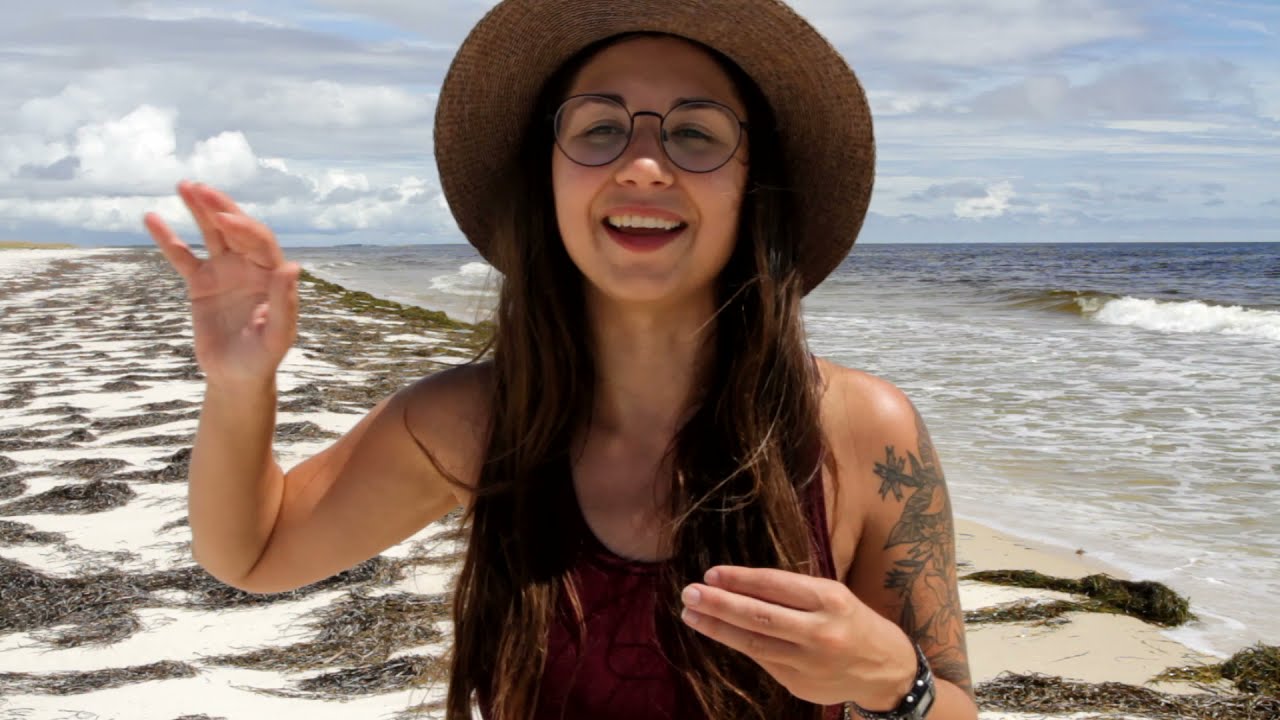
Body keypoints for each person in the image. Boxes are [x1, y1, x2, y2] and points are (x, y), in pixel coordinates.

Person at [144, 1, 978, 719]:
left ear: (753, 185)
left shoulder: (861, 432)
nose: (644, 166)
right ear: (548, 178)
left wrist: (891, 681)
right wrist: (241, 384)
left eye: (694, 133)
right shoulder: (475, 422)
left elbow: (951, 702)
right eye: (600, 130)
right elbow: (251, 554)